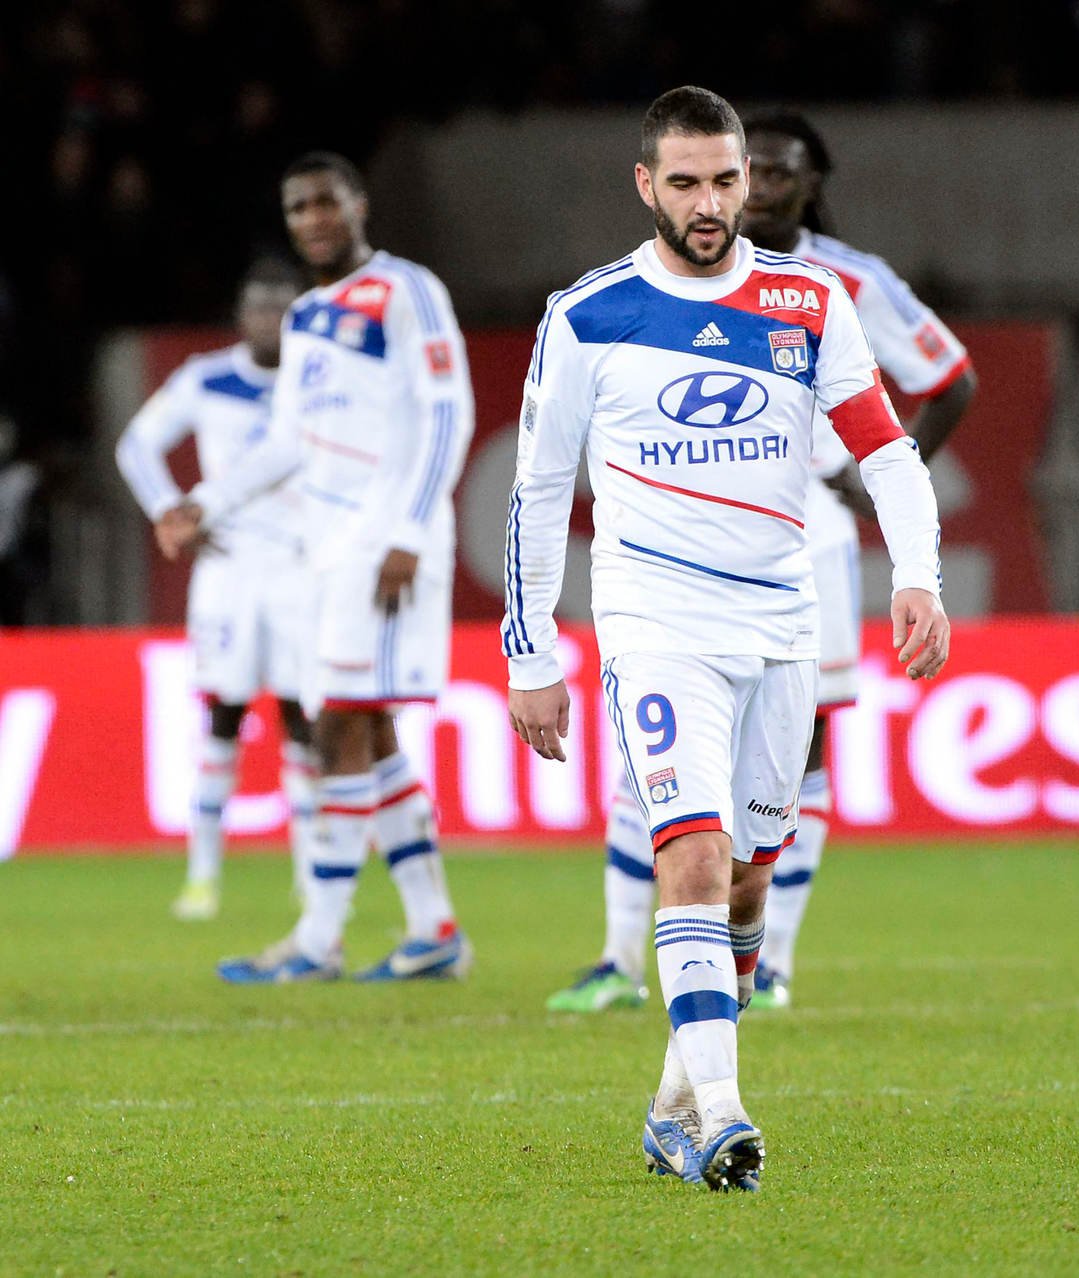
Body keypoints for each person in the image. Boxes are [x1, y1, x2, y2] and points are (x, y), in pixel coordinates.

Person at [504, 86, 947, 1192]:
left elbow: (886, 451)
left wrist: (918, 578)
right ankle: (726, 1119)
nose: (710, 205)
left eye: (727, 180)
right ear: (646, 185)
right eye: (688, 183)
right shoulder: (589, 314)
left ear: (750, 179)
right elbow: (538, 487)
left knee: (748, 885)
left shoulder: (810, 301)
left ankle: (670, 1105)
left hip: (783, 626)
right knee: (692, 861)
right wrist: (529, 653)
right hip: (656, 626)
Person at [156, 152, 476, 982]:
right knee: (367, 733)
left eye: (326, 201)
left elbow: (451, 411)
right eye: (298, 206)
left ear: (358, 205)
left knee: (338, 723)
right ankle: (433, 930)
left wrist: (409, 528)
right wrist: (207, 503)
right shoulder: (304, 317)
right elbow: (288, 441)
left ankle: (317, 940)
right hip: (327, 550)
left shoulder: (407, 291)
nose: (313, 218)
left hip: (387, 544)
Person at [115, 257, 318, 921]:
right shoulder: (207, 378)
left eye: (282, 307)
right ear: (241, 315)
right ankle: (202, 877)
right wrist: (169, 510)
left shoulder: (318, 381)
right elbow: (136, 446)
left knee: (302, 720)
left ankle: (314, 878)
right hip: (228, 571)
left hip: (298, 565)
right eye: (258, 306)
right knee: (223, 715)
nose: (269, 319)